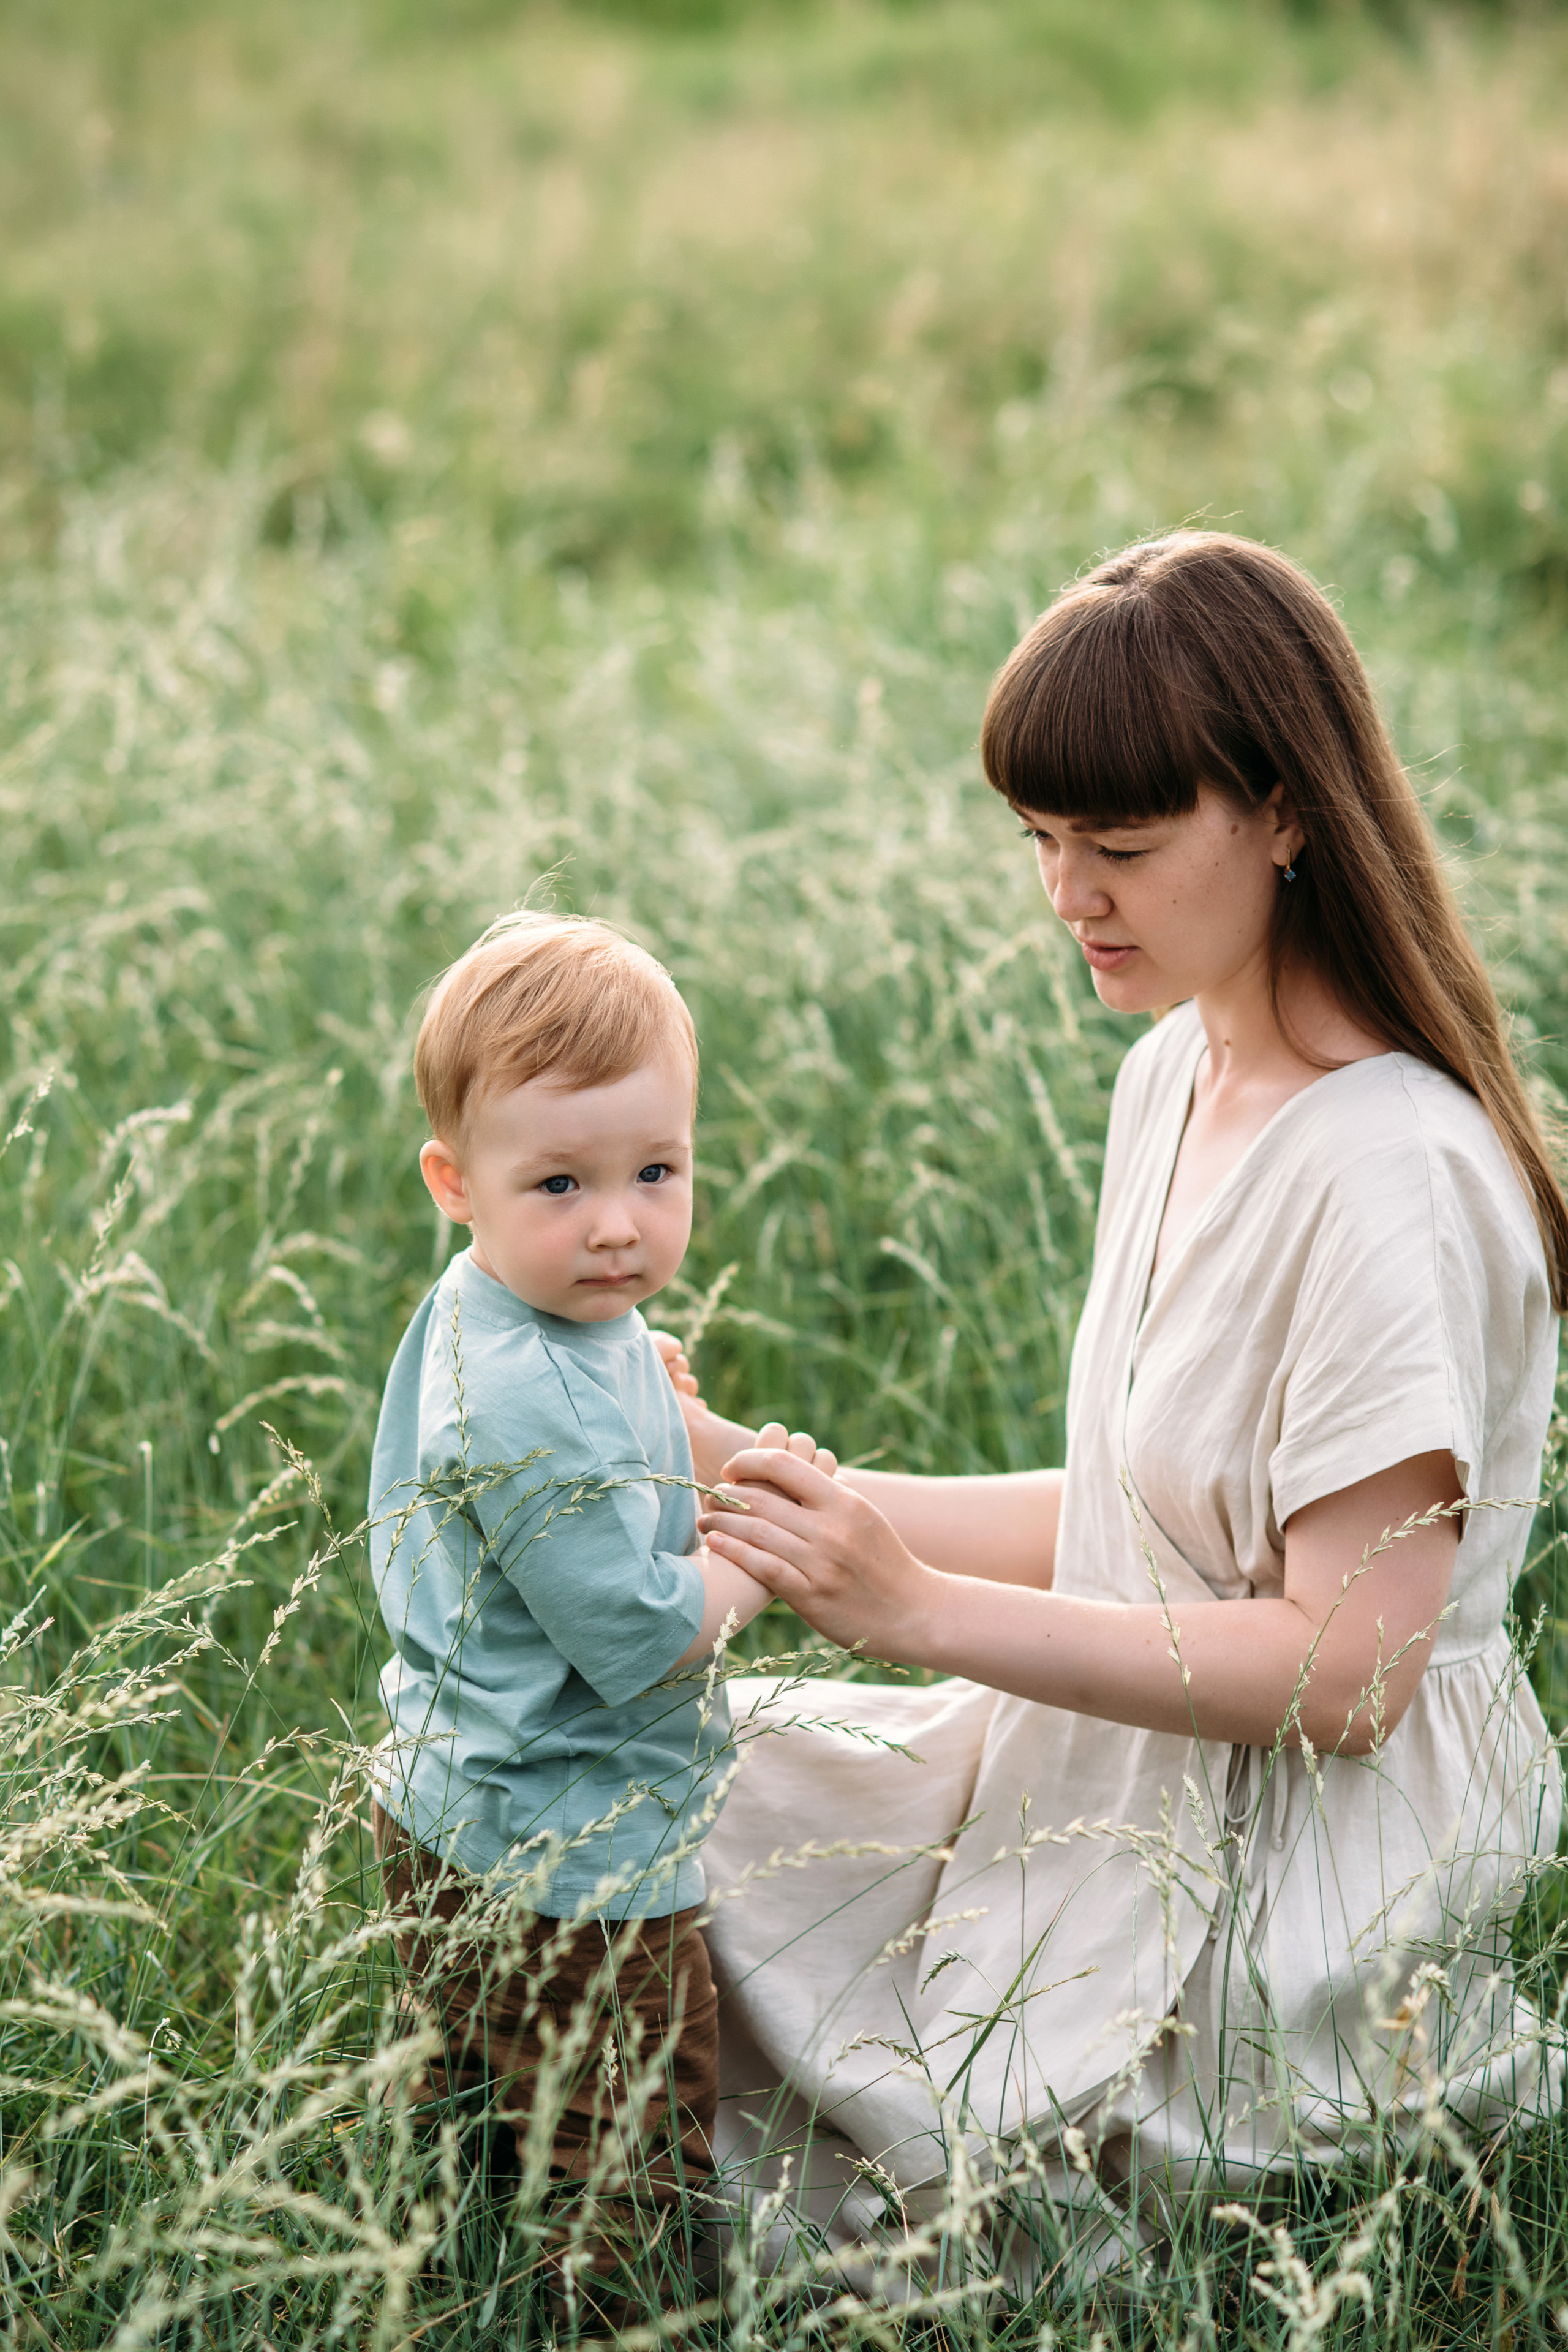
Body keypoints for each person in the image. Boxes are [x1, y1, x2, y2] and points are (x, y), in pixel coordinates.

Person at [673, 532, 1566, 2271]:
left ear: (1291, 815)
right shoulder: (1177, 1068)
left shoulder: (1390, 1176)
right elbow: (1136, 1522)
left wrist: (920, 1617)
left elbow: (1348, 1675)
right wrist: (760, 1484)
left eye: (1124, 849)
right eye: (1043, 843)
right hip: (1109, 1768)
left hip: (1294, 1888)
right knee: (640, 1785)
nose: (1066, 895)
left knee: (889, 2114)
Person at [366, 910, 812, 2271]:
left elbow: (603, 1390)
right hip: (573, 1857)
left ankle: (439, 2265)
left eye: (655, 1171)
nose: (618, 1226)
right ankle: (608, 2311)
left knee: (472, 2097)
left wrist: (684, 1412)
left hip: (454, 1796)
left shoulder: (518, 1305)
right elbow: (642, 1637)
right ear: (456, 1180)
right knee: (624, 2151)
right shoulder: (521, 1398)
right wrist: (757, 1549)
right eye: (560, 1185)